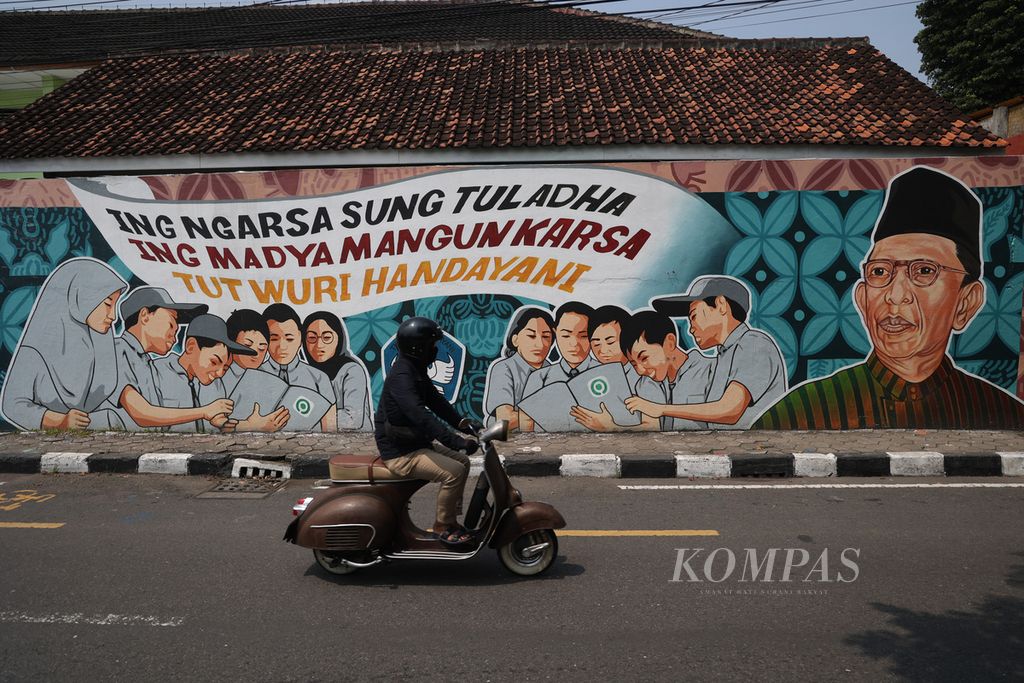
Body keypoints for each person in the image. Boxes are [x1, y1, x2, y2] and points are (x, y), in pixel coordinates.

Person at [755, 166, 1024, 429]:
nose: (895, 296)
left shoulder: (999, 411)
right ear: (862, 298)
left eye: (924, 271)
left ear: (966, 303)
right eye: (880, 271)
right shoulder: (800, 412)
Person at [627, 275, 786, 429]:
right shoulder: (725, 355)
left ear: (721, 304)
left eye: (693, 316)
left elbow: (730, 410)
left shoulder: (754, 343)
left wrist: (661, 409)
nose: (690, 329)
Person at [375, 316, 481, 545]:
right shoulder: (402, 377)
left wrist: (464, 424)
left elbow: (437, 403)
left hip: (413, 445)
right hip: (399, 454)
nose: (435, 350)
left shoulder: (414, 370)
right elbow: (421, 416)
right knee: (452, 471)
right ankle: (442, 525)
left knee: (463, 463)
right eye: (432, 345)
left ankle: (451, 520)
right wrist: (455, 442)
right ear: (419, 347)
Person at [1, 258, 128, 430]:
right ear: (80, 297)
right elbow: (13, 404)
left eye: (116, 304)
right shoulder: (36, 350)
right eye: (107, 303)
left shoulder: (101, 342)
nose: (113, 315)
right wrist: (58, 421)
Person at [579, 310, 713, 431]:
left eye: (644, 358)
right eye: (634, 364)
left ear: (670, 343)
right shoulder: (646, 382)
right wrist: (612, 427)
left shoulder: (709, 370)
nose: (640, 370)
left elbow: (727, 413)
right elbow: (651, 425)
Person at [109, 286, 217, 430]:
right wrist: (204, 412)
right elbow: (141, 413)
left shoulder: (145, 362)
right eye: (171, 325)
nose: (175, 336)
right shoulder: (119, 350)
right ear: (145, 315)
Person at [149, 313, 255, 433]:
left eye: (224, 367)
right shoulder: (155, 372)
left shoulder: (215, 382)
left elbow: (217, 419)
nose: (220, 374)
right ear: (191, 346)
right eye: (214, 362)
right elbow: (146, 417)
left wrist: (223, 422)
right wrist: (204, 412)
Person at [261, 303, 337, 432]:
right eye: (273, 339)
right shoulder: (255, 375)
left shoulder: (318, 378)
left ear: (300, 340)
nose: (282, 346)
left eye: (289, 339)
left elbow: (329, 427)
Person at [482, 306, 554, 432]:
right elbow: (504, 420)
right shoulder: (503, 369)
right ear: (515, 340)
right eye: (531, 336)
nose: (540, 344)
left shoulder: (551, 369)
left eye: (546, 337)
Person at [221, 309, 290, 432]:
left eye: (262, 348)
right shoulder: (218, 374)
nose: (255, 353)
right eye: (247, 345)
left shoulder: (266, 378)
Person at [302, 311, 372, 431]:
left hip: (357, 441)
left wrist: (311, 417)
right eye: (312, 338)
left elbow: (353, 418)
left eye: (327, 337)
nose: (319, 345)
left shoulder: (351, 370)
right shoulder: (305, 373)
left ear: (339, 339)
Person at [521, 301, 598, 398]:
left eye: (583, 336)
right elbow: (525, 412)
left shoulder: (606, 372)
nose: (574, 343)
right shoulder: (540, 377)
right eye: (566, 335)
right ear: (555, 332)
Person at [586, 305, 642, 393]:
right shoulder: (591, 377)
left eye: (610, 342)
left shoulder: (643, 375)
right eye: (596, 344)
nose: (603, 351)